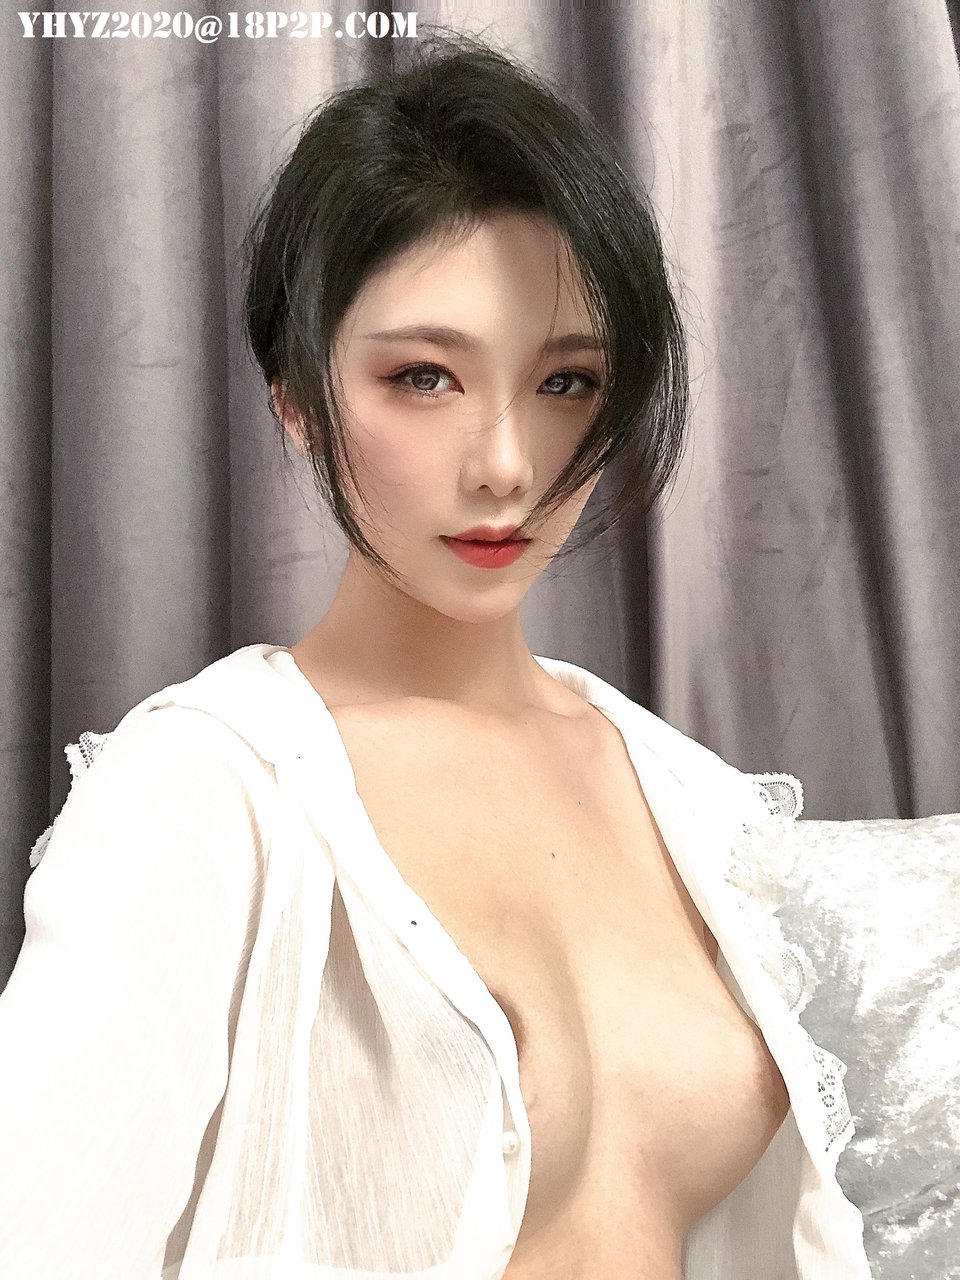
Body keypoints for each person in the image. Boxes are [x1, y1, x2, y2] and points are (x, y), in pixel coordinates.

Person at [0, 30, 874, 1280]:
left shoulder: (685, 792)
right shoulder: (208, 793)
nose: (507, 464)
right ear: (296, 397)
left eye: (566, 382)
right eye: (424, 376)